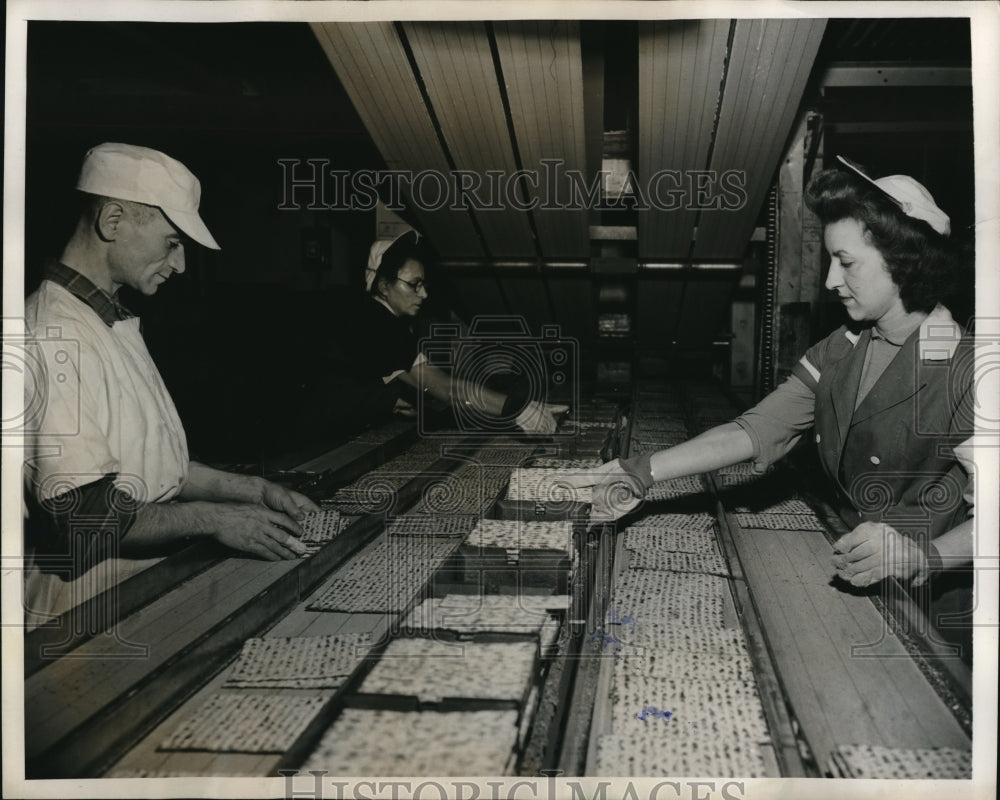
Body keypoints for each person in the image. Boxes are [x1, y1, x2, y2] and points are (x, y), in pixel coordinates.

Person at [570, 157, 975, 657]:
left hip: (930, 611)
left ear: (905, 261)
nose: (830, 281)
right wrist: (639, 472)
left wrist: (924, 556)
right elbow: (756, 429)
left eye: (846, 262)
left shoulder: (968, 369)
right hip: (852, 571)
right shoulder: (842, 348)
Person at [22, 142, 319, 627]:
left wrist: (250, 490)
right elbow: (85, 516)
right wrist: (215, 518)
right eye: (171, 242)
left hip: (140, 595)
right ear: (113, 221)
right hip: (78, 615)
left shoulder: (110, 321)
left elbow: (155, 471)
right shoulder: (51, 334)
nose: (180, 264)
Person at [343, 229, 567, 434]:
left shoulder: (371, 316)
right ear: (384, 286)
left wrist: (386, 400)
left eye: (423, 285)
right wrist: (516, 409)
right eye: (414, 284)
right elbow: (447, 389)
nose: (424, 294)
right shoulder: (380, 323)